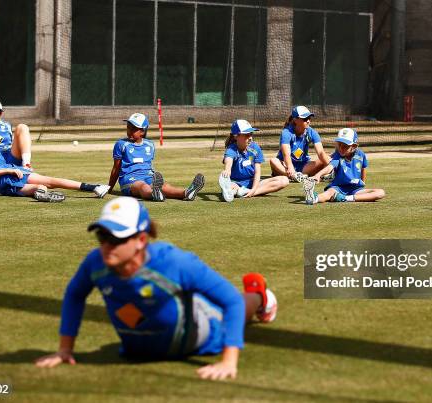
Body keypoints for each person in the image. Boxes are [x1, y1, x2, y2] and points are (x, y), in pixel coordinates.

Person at [35, 197, 278, 380]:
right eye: (102, 237)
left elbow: (231, 302)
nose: (107, 245)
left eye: (117, 238)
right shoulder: (95, 263)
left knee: (226, 311)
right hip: (139, 347)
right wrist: (64, 349)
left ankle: (259, 295)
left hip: (201, 336)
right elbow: (74, 295)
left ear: (141, 240)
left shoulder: (175, 262)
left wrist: (229, 361)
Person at [107, 113, 204, 202]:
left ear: (142, 131)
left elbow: (148, 164)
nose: (129, 131)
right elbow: (116, 168)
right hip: (130, 179)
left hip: (148, 176)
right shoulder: (121, 144)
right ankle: (154, 194)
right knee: (142, 186)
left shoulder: (150, 144)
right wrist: (109, 188)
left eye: (133, 129)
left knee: (164, 186)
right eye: (128, 128)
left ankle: (186, 192)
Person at [0, 144, 109, 202]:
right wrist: (9, 169)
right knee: (44, 185)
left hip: (7, 179)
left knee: (49, 182)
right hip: (6, 181)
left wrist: (13, 169)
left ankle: (94, 187)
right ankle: (40, 194)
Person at [303, 128, 385, 205]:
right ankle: (313, 198)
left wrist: (362, 183)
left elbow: (363, 169)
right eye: (339, 145)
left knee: (380, 193)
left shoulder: (361, 155)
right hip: (338, 188)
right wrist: (318, 175)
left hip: (355, 189)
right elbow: (330, 167)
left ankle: (345, 198)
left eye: (345, 146)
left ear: (354, 146)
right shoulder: (337, 155)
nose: (341, 148)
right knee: (328, 193)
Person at [218, 119, 289, 202]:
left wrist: (254, 190)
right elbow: (228, 163)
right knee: (231, 187)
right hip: (236, 183)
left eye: (251, 134)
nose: (250, 138)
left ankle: (244, 192)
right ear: (236, 136)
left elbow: (257, 172)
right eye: (246, 135)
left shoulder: (255, 148)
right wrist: (226, 171)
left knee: (284, 180)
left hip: (252, 182)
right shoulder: (231, 150)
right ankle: (233, 190)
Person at [269, 106, 330, 181]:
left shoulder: (312, 132)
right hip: (285, 166)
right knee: (273, 161)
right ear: (295, 120)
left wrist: (329, 166)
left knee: (327, 159)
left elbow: (321, 153)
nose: (308, 121)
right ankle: (294, 176)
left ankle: (298, 176)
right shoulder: (286, 132)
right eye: (305, 119)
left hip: (304, 166)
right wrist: (290, 168)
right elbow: (286, 154)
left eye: (309, 118)